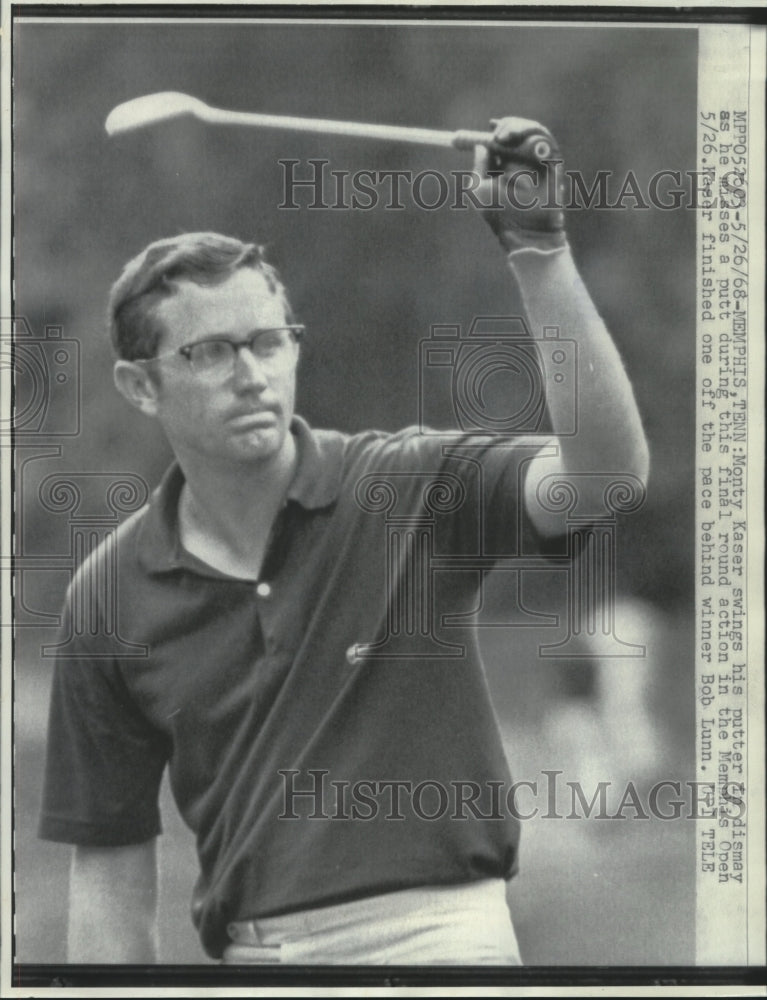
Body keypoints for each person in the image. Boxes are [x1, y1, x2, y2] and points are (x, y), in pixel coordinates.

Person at [38, 117, 649, 964]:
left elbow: (605, 475)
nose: (251, 373)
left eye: (267, 341)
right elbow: (107, 892)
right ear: (140, 386)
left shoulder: (412, 483)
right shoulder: (105, 597)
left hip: (443, 947)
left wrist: (537, 252)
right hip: (256, 962)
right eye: (210, 351)